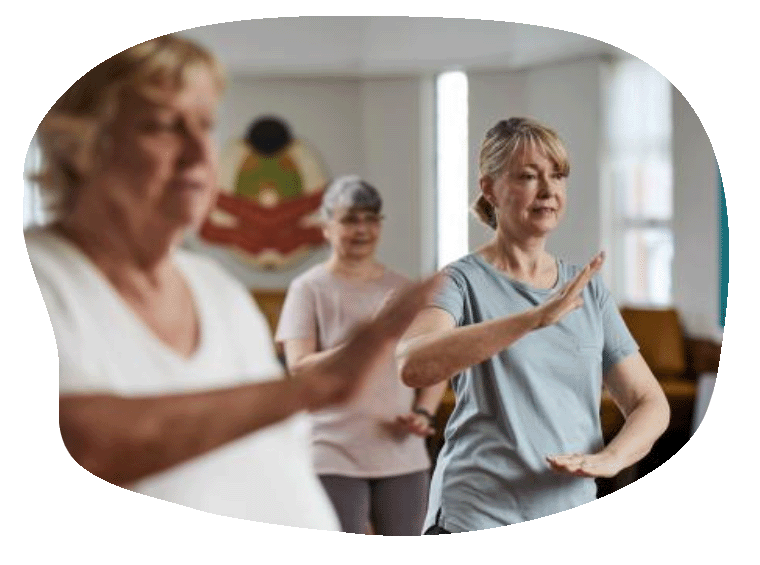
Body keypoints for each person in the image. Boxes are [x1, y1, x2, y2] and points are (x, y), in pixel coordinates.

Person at [26, 34, 440, 531]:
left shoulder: (216, 289)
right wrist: (314, 387)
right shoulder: (36, 276)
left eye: (205, 126)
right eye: (162, 126)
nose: (199, 151)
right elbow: (77, 444)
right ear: (81, 147)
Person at [396, 117, 670, 533]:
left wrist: (610, 459)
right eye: (528, 176)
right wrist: (533, 319)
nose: (548, 190)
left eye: (557, 176)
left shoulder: (588, 290)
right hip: (476, 515)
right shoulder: (460, 281)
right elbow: (412, 362)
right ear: (489, 189)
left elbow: (649, 401)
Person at [276, 176, 447, 535]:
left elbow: (433, 364)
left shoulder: (402, 289)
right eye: (350, 219)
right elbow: (299, 367)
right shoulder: (307, 288)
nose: (362, 229)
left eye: (371, 219)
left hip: (401, 449)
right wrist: (370, 337)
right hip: (332, 450)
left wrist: (423, 413)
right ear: (326, 227)